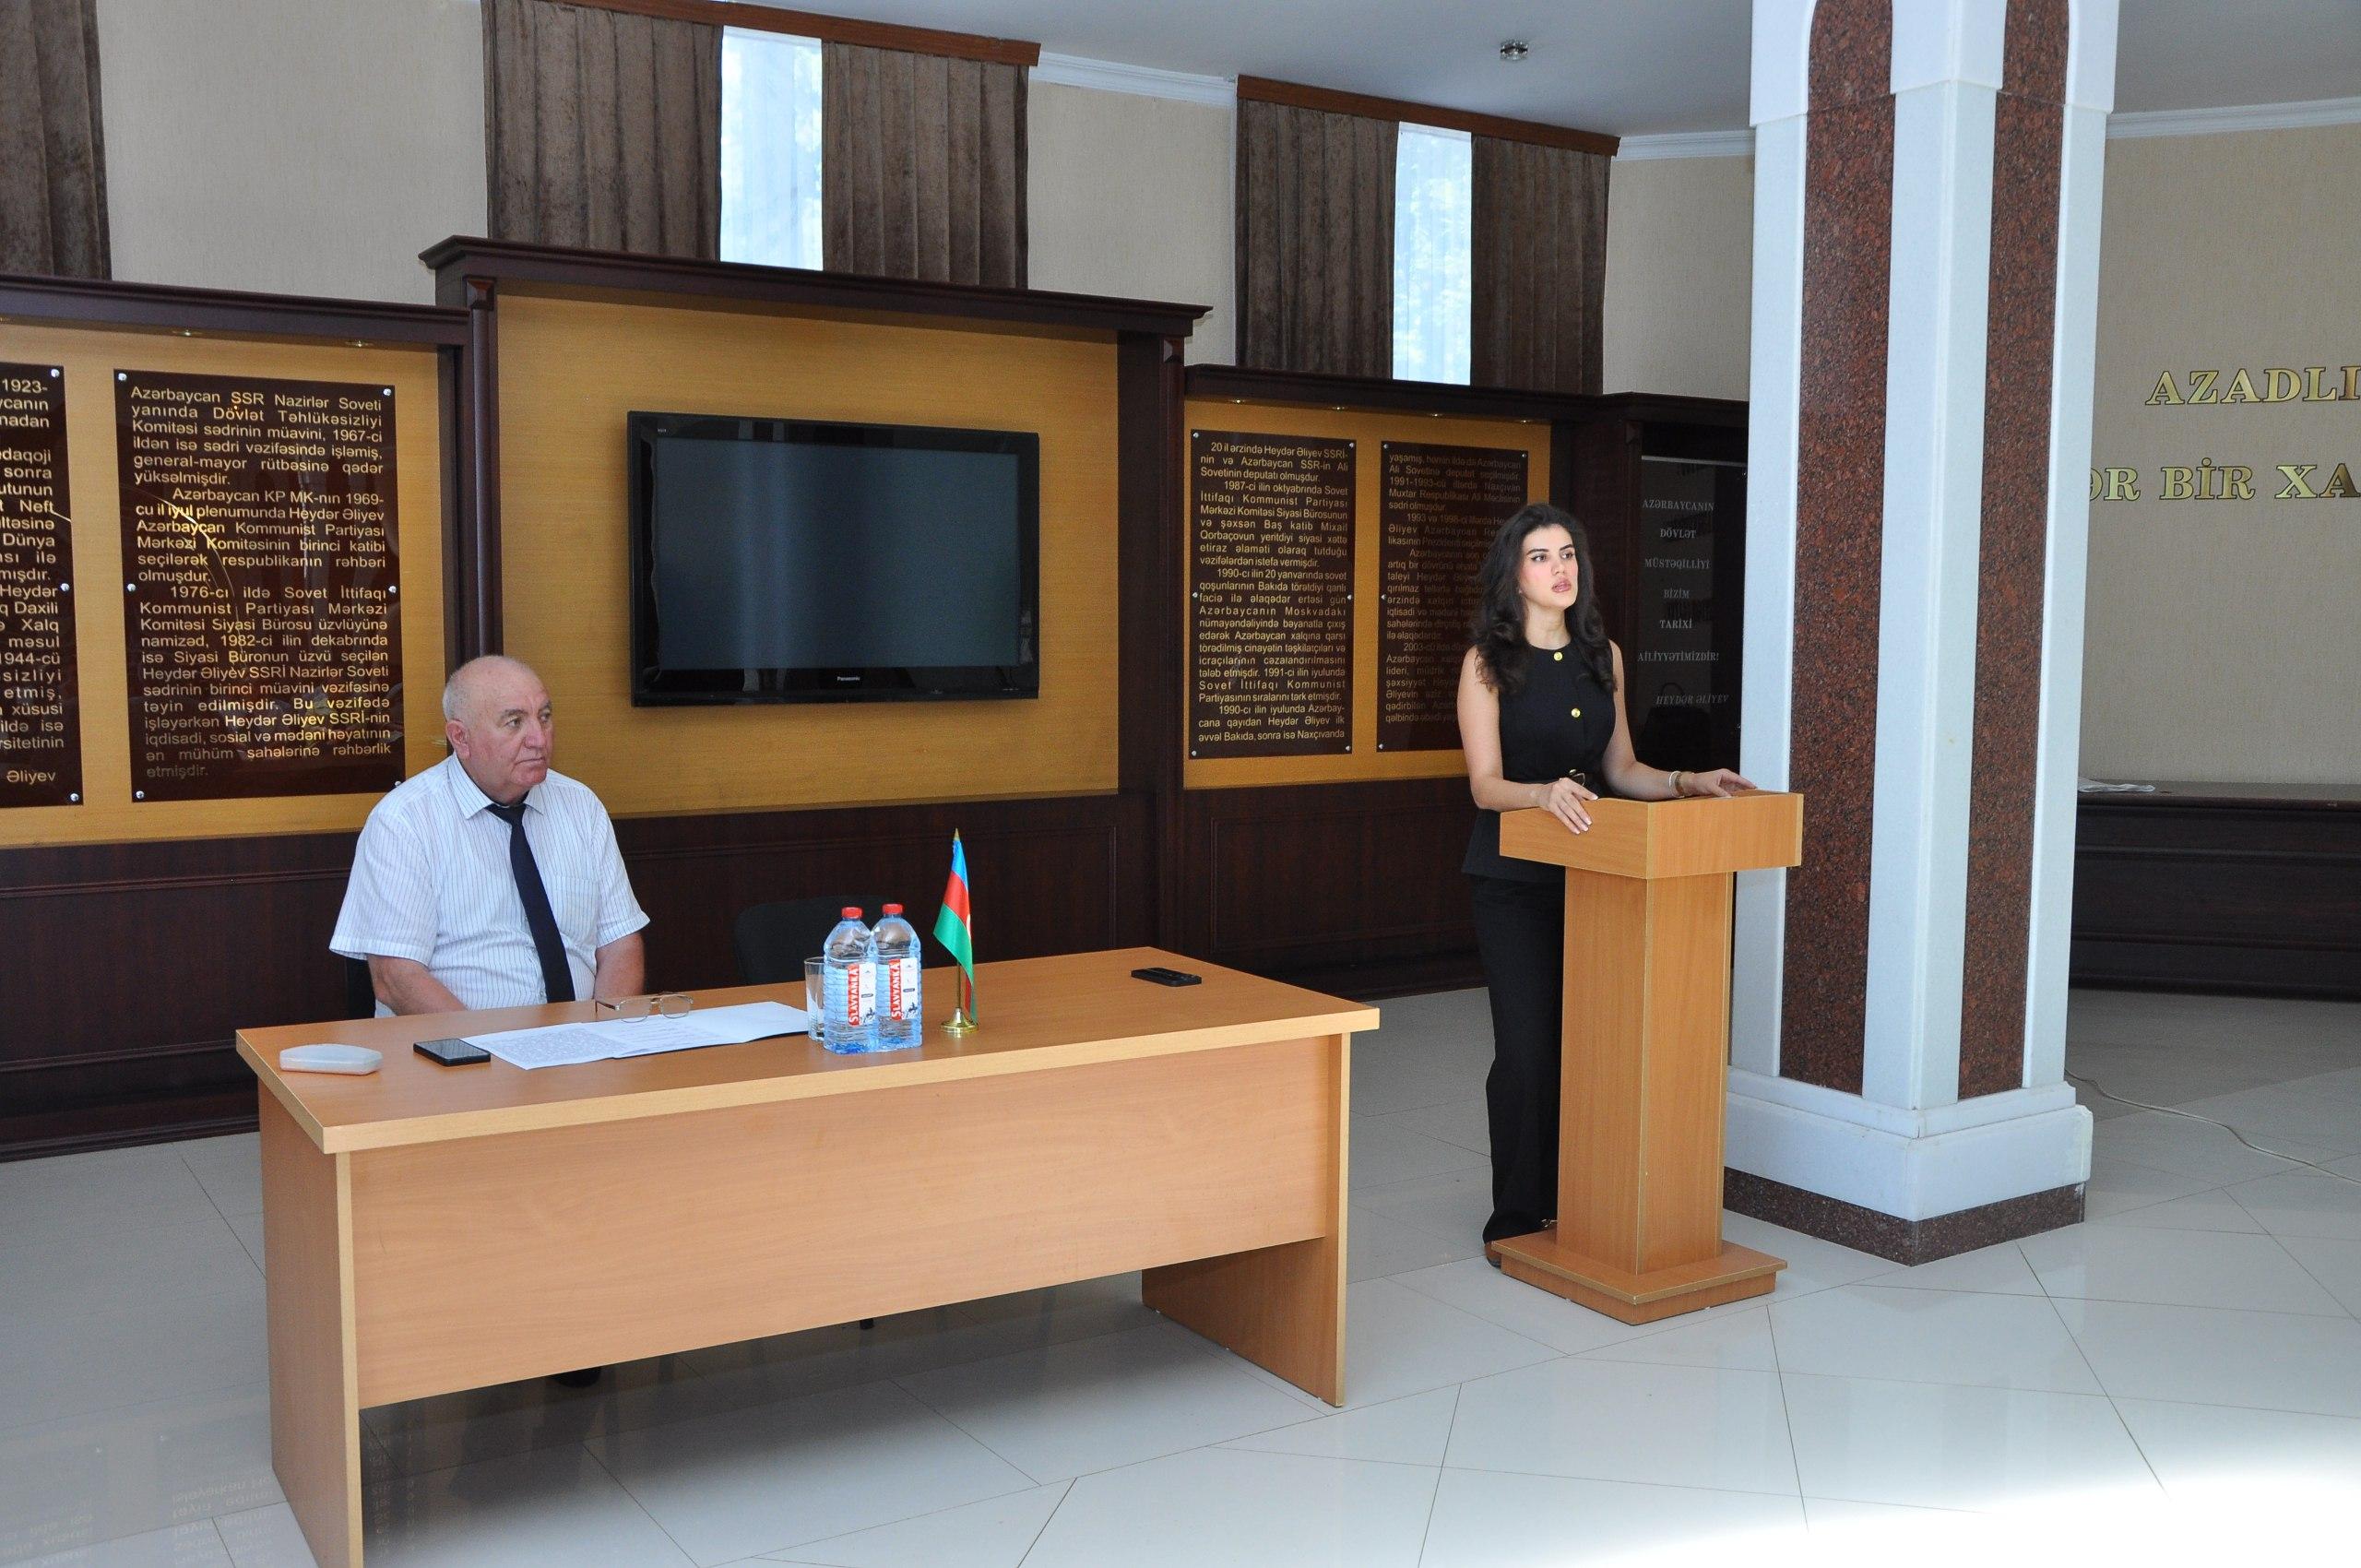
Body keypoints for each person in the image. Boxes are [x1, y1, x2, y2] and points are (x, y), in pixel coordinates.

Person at [1456, 504, 1753, 1257]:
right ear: (1513, 575)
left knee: (1593, 1042)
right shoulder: (1487, 663)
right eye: (1540, 557)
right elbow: (1485, 786)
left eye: (1567, 554)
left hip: (1599, 874)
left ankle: (1580, 1196)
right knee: (1527, 1049)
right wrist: (1541, 793)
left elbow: (1621, 769)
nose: (1560, 569)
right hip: (1514, 881)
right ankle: (1517, 1214)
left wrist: (1686, 781)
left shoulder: (1604, 655)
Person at [332, 655, 648, 1016]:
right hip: (459, 1043)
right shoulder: (405, 821)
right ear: (461, 738)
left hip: (583, 1039)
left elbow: (620, 944)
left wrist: (604, 1032)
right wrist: (483, 1045)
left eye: (544, 717)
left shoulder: (580, 805)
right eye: (514, 722)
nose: (538, 739)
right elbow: (395, 977)